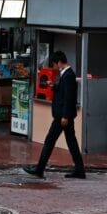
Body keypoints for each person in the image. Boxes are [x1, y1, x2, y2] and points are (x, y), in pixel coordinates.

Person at [25, 51, 85, 179]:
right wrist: (54, 86)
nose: (53, 67)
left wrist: (64, 116)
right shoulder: (66, 75)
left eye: (54, 64)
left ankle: (39, 169)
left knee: (49, 141)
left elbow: (69, 98)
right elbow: (64, 91)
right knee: (71, 142)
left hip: (62, 117)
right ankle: (80, 170)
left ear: (58, 62)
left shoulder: (68, 75)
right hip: (64, 115)